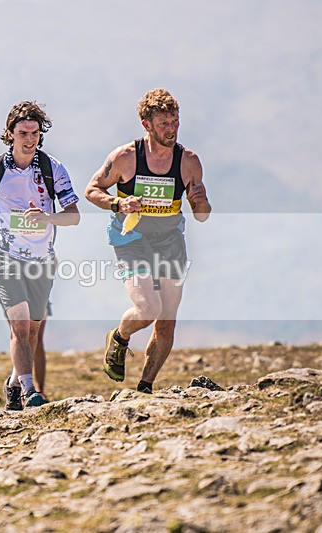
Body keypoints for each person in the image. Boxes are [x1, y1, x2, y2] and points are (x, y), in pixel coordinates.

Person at [84, 88, 211, 394]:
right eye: (164, 124)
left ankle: (145, 388)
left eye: (175, 122)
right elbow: (91, 190)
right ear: (147, 125)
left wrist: (201, 201)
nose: (172, 129)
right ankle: (119, 337)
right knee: (147, 310)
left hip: (170, 241)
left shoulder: (189, 162)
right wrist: (118, 204)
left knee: (166, 322)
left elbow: (202, 215)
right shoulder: (126, 157)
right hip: (132, 238)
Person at [0, 100, 80, 410]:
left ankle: (14, 382)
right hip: (5, 256)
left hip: (41, 260)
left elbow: (74, 216)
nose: (30, 139)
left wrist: (48, 219)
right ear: (10, 134)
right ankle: (31, 392)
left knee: (31, 331)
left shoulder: (52, 168)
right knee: (18, 326)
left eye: (35, 133)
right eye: (23, 133)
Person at [0, 257, 51, 401]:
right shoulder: (2, 245)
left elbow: (53, 264)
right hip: (12, 295)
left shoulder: (42, 245)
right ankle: (24, 387)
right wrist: (12, 278)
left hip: (37, 291)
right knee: (21, 333)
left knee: (35, 337)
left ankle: (33, 387)